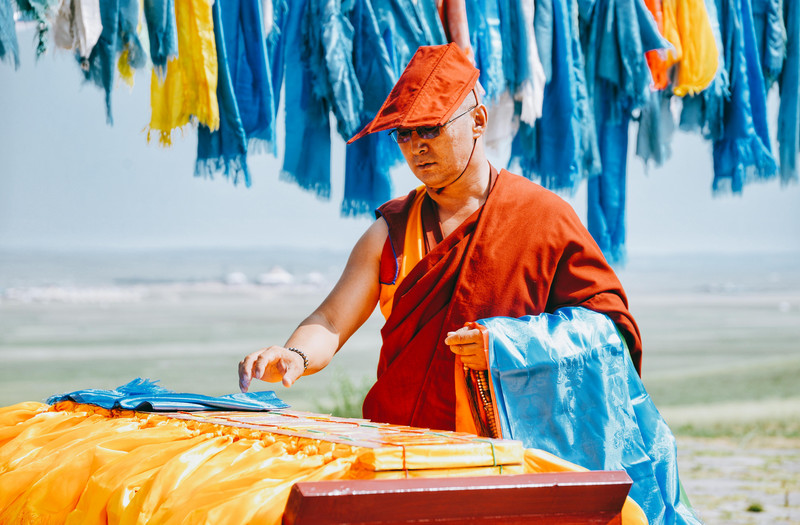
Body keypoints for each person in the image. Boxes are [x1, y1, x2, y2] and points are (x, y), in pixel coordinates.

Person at [238, 42, 642, 434]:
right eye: (404, 134)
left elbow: (610, 331)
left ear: (479, 121)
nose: (417, 147)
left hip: (512, 450)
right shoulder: (390, 232)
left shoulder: (543, 218)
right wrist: (294, 355)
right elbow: (330, 320)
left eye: (430, 127)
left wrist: (511, 343)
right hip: (405, 445)